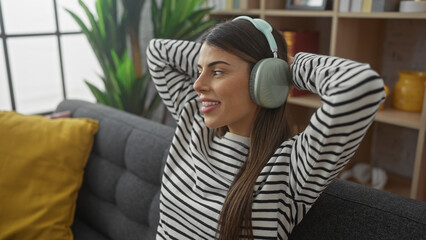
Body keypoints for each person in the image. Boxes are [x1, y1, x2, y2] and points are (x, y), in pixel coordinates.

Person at [147, 16, 385, 240]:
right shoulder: (193, 120)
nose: (198, 85)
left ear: (261, 80)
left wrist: (281, 69)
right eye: (199, 71)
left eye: (217, 72)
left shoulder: (290, 168)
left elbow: (363, 85)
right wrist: (211, 55)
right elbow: (157, 52)